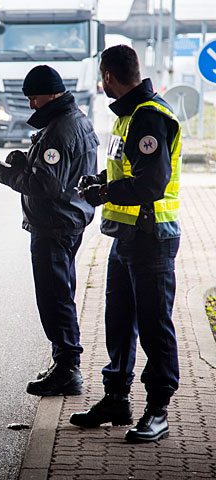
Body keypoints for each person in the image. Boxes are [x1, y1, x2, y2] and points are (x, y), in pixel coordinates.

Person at [71, 45, 182, 443]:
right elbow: (128, 167)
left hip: (151, 236)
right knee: (118, 322)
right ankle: (116, 398)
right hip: (127, 237)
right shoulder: (129, 117)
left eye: (102, 78)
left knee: (153, 326)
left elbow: (151, 183)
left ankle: (158, 410)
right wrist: (101, 180)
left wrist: (106, 192)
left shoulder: (148, 117)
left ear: (108, 77)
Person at [0, 65, 99, 396]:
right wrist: (27, 161)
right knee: (61, 293)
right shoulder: (77, 120)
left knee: (54, 299)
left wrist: (11, 177)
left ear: (50, 95)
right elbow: (64, 172)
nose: (31, 106)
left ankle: (68, 369)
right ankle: (63, 362)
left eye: (34, 99)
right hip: (70, 220)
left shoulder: (58, 131)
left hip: (54, 225)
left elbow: (47, 185)